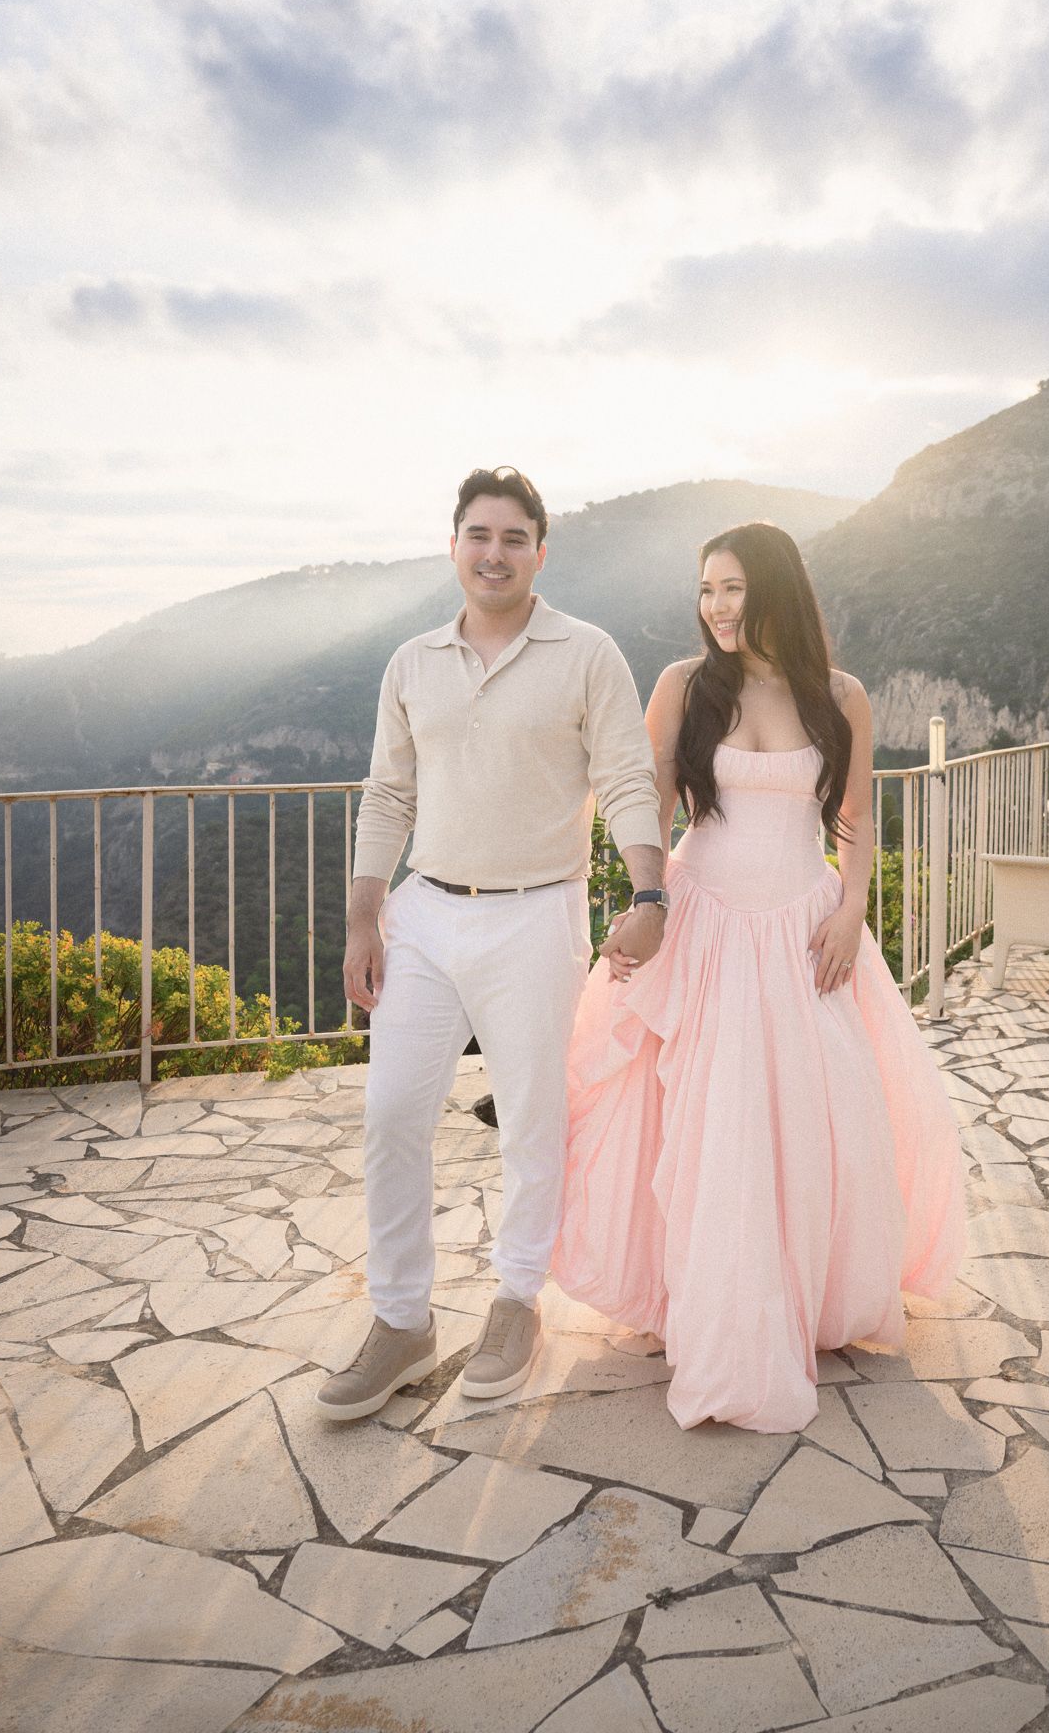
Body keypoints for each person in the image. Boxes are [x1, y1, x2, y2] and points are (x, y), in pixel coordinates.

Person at [553, 522, 967, 1434]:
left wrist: (852, 910)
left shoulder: (840, 696)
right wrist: (644, 901)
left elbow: (855, 818)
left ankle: (807, 1299)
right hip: (704, 919)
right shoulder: (685, 687)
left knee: (818, 1111)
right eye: (706, 590)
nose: (716, 607)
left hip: (801, 925)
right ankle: (709, 1303)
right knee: (708, 1121)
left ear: (774, 588)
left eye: (732, 588)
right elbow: (649, 807)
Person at [315, 466, 667, 1420]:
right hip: (423, 913)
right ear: (455, 546)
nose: (494, 552)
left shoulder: (587, 652)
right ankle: (401, 1321)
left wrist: (649, 888)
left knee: (531, 1121)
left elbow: (628, 775)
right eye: (479, 534)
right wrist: (363, 918)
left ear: (539, 552)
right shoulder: (412, 661)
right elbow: (387, 794)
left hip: (534, 913)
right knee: (391, 1112)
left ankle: (517, 1300)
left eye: (514, 538)